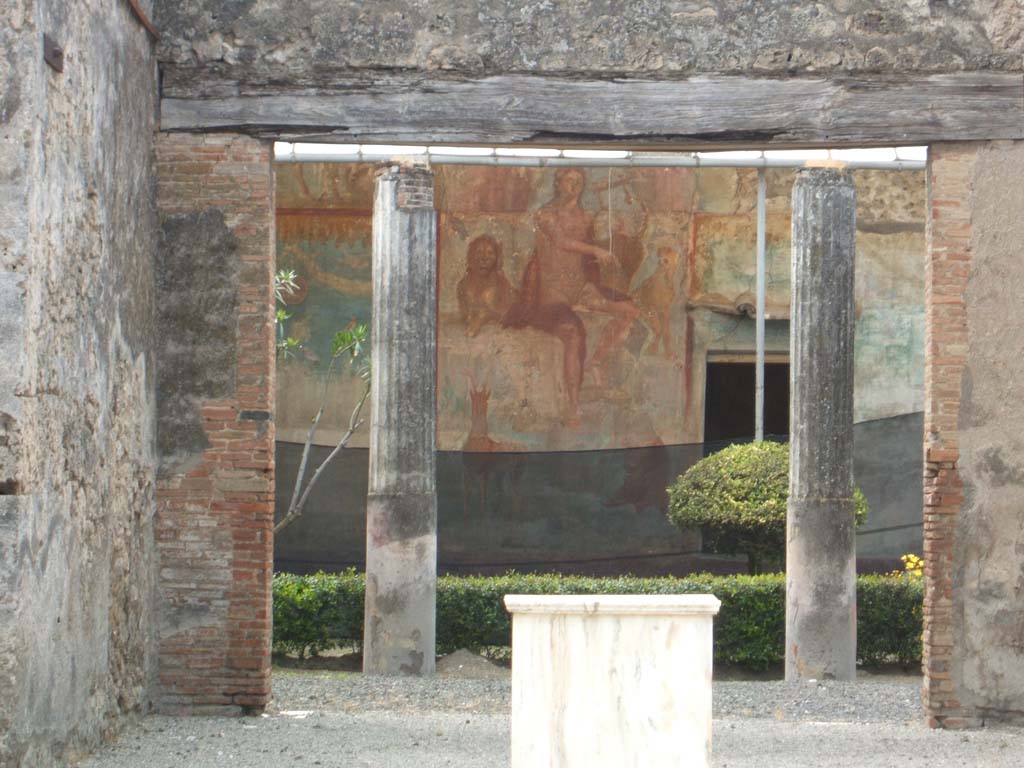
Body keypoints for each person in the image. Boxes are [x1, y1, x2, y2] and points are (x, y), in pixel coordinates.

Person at [503, 168, 640, 425]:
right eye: (569, 180)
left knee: (631, 309)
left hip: (581, 290)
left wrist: (615, 228)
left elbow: (596, 249)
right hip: (552, 296)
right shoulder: (546, 214)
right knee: (573, 332)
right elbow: (560, 241)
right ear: (558, 183)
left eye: (579, 181)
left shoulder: (587, 217)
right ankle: (573, 405)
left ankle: (595, 362)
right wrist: (597, 250)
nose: (575, 185)